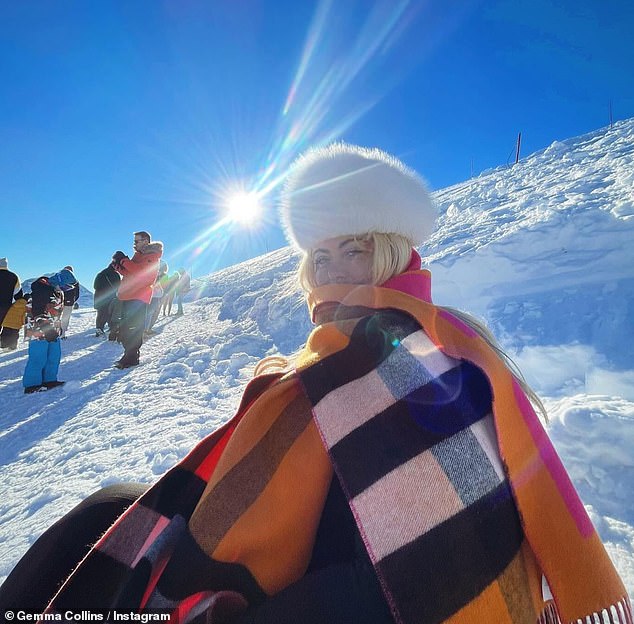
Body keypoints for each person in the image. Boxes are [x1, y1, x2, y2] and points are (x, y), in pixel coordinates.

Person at [1, 145, 630, 624]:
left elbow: (425, 560)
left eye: (350, 251)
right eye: (319, 258)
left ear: (390, 252)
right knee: (109, 508)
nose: (329, 273)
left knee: (96, 546)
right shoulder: (345, 348)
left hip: (335, 588)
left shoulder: (418, 358)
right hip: (315, 558)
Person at [111, 231, 163, 368]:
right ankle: (129, 355)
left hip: (139, 296)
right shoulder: (139, 256)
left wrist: (123, 260)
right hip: (129, 294)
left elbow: (140, 272)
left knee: (133, 328)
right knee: (126, 328)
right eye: (134, 241)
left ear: (146, 241)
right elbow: (130, 273)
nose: (134, 244)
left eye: (137, 241)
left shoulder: (152, 256)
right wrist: (118, 267)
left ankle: (131, 357)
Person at [22, 268, 77, 394]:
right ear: (59, 281)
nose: (65, 290)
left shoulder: (57, 291)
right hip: (38, 330)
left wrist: (57, 328)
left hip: (53, 329)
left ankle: (49, 380)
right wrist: (47, 329)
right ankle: (32, 384)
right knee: (38, 357)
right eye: (65, 287)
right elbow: (38, 311)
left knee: (54, 355)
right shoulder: (42, 289)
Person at [93, 262, 121, 339]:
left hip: (99, 297)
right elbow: (118, 286)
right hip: (110, 297)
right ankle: (111, 329)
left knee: (101, 313)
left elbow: (95, 286)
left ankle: (99, 329)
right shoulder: (115, 275)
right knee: (110, 313)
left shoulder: (101, 274)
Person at [0, 256, 23, 346]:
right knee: (8, 326)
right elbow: (18, 293)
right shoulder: (13, 276)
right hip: (7, 307)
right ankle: (6, 344)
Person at [145, 261, 168, 335]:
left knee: (149, 313)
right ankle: (146, 330)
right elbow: (164, 286)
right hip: (157, 296)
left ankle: (146, 329)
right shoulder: (163, 275)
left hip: (150, 295)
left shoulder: (152, 273)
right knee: (153, 313)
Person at [59, 265, 80, 339]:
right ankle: (63, 334)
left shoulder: (59, 279)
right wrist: (73, 300)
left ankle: (55, 332)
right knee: (66, 317)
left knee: (57, 316)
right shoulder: (75, 281)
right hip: (69, 302)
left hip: (59, 302)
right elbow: (77, 294)